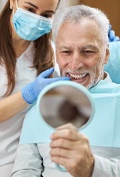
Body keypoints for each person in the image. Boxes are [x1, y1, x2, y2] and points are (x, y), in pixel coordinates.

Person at [0, 0, 71, 176]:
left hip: (14, 155)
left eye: (46, 15)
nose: (37, 20)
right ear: (13, 2)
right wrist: (29, 94)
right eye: (30, 9)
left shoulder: (51, 56)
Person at [11, 5, 120, 177]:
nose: (75, 64)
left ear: (106, 54)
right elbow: (25, 170)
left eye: (88, 51)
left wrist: (93, 167)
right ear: (56, 55)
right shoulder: (40, 106)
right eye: (66, 52)